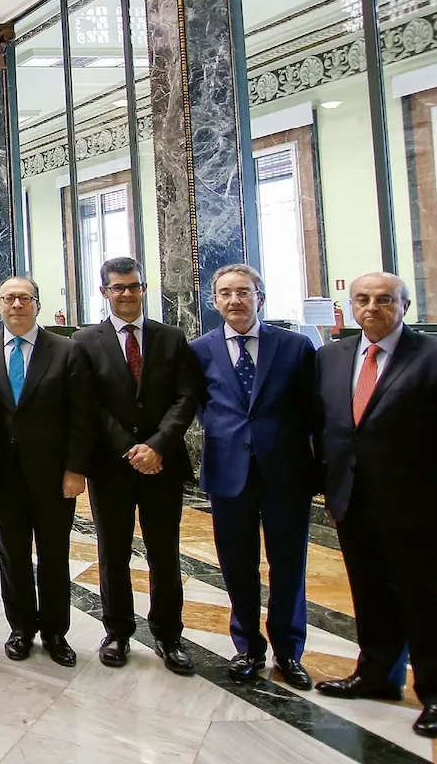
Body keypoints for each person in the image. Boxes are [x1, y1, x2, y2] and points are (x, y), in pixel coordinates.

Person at [314, 272, 437, 739]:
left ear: (404, 306)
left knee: (428, 603)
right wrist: (328, 489)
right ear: (351, 306)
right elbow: (329, 429)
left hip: (419, 508)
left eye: (384, 299)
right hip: (353, 503)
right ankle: (377, 676)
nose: (372, 307)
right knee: (370, 597)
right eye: (362, 299)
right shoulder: (332, 357)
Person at [191, 263, 319, 689]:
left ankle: (288, 650)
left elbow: (313, 413)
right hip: (229, 473)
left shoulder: (295, 347)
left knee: (288, 565)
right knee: (237, 565)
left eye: (243, 292)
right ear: (215, 301)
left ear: (259, 298)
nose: (234, 301)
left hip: (285, 472)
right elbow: (198, 405)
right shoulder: (200, 350)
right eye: (225, 293)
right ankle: (247, 647)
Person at [74, 257, 203, 675]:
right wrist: (130, 447)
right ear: (104, 292)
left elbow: (186, 397)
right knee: (112, 551)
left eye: (134, 286)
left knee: (164, 552)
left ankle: (169, 636)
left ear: (143, 288)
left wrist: (157, 445)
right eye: (118, 287)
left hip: (162, 463)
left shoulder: (172, 337)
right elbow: (88, 402)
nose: (126, 294)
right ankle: (117, 632)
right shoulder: (85, 341)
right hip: (111, 465)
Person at [0, 276, 91, 668]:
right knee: (12, 555)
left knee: (54, 554)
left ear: (37, 304)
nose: (17, 305)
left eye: (25, 298)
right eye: (9, 299)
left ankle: (55, 632)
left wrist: (75, 469)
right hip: (4, 474)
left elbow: (80, 415)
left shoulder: (66, 349)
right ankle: (21, 628)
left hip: (53, 474)